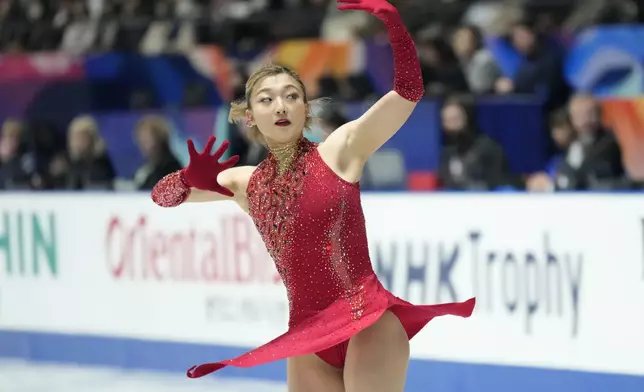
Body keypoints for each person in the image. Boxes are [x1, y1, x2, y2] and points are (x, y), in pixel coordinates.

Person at [151, 0, 476, 390]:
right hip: (309, 336)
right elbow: (161, 197)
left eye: (291, 95)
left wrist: (394, 26)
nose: (281, 105)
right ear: (251, 116)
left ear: (305, 109)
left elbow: (408, 92)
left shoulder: (340, 150)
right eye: (267, 99)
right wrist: (187, 177)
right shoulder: (245, 183)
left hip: (367, 322)